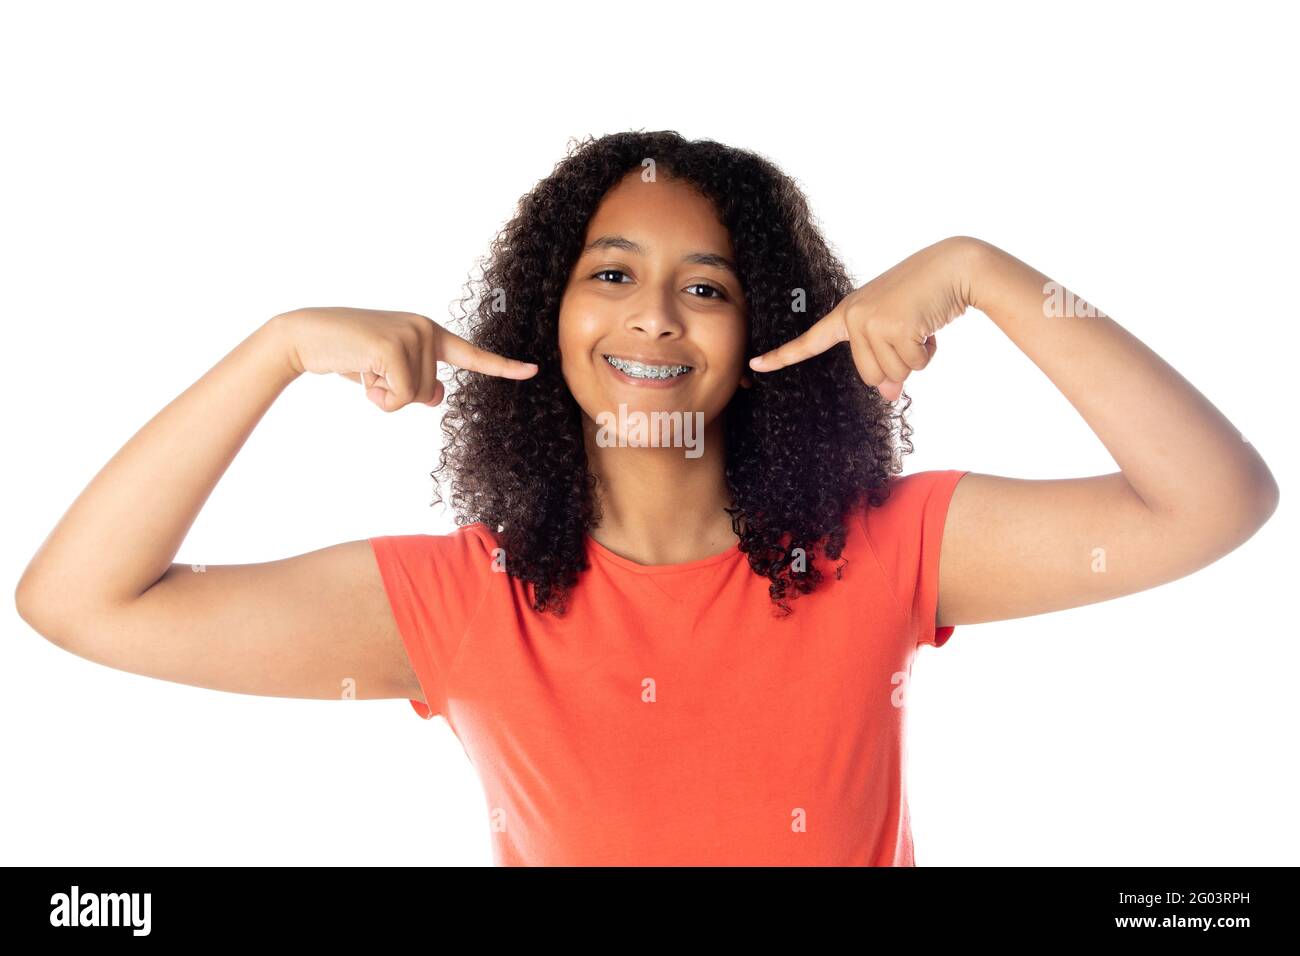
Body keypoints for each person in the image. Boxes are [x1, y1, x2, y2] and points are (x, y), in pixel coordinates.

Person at [15, 130, 1279, 866]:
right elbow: (79, 602)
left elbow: (1212, 501)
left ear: (765, 331)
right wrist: (277, 347)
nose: (653, 316)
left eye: (708, 286)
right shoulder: (462, 601)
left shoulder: (884, 548)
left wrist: (982, 273)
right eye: (610, 270)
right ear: (545, 315)